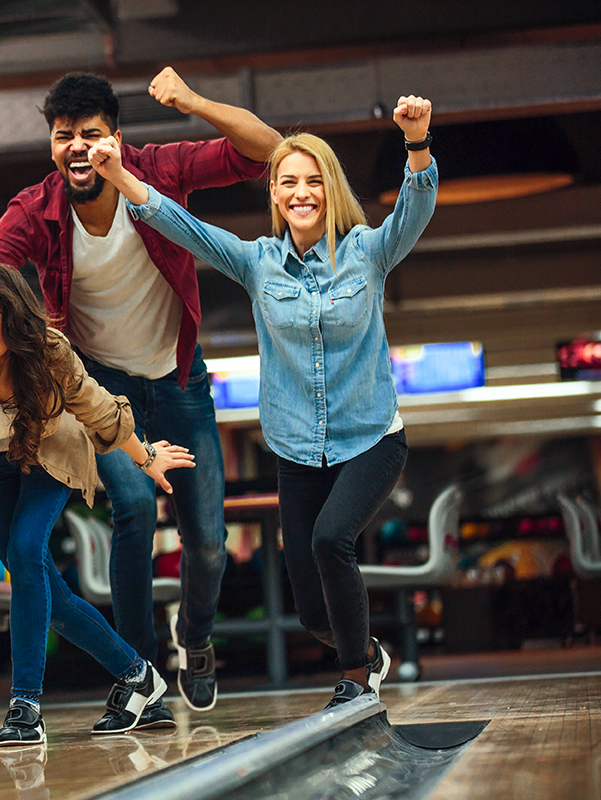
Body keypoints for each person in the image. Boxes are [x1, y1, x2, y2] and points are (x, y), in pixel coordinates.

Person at [0, 68, 282, 722]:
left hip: (179, 380)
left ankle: (196, 638)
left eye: (91, 135)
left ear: (116, 140)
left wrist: (191, 101)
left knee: (207, 538)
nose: (77, 148)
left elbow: (266, 149)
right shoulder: (37, 209)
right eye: (64, 136)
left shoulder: (160, 170)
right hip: (103, 387)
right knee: (130, 507)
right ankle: (142, 677)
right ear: (52, 145)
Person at [89, 95, 437, 707]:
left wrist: (416, 144)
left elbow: (415, 209)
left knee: (333, 539)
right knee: (310, 610)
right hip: (297, 448)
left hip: (371, 439)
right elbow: (183, 226)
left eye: (312, 181)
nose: (301, 192)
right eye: (287, 182)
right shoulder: (259, 264)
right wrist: (120, 178)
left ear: (329, 189)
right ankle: (368, 652)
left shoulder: (367, 251)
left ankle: (355, 680)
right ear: (274, 193)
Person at [0, 260, 195, 745]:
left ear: (10, 317)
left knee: (26, 553)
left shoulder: (45, 351)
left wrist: (145, 455)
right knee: (51, 594)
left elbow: (96, 406)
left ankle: (25, 706)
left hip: (47, 449)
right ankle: (139, 677)